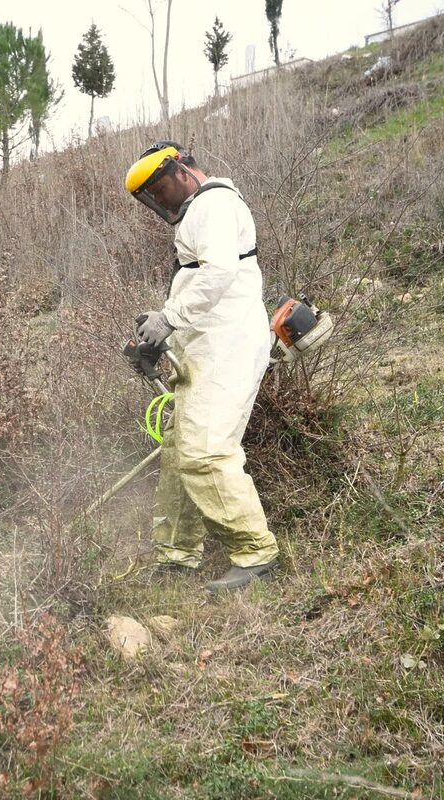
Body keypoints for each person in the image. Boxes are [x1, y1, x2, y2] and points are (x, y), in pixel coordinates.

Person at [124, 142, 279, 592]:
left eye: (162, 188)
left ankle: (255, 553)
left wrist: (169, 319)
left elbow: (219, 274)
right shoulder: (200, 211)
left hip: (227, 348)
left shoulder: (213, 203)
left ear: (183, 170)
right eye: (151, 196)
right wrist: (161, 329)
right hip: (206, 348)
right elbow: (201, 283)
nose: (160, 201)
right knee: (178, 454)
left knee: (206, 451)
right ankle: (177, 552)